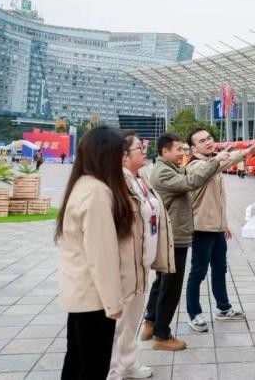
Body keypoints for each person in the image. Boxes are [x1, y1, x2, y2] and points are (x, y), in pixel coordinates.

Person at [56, 126, 134, 379]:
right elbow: (102, 254)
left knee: (77, 360)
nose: (123, 158)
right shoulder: (98, 192)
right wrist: (113, 302)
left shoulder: (82, 183)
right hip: (95, 298)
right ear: (106, 155)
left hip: (80, 292)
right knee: (92, 366)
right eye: (120, 152)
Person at [141, 133, 230, 350]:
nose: (183, 153)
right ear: (165, 152)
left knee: (162, 282)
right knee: (171, 285)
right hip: (174, 235)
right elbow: (192, 182)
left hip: (173, 234)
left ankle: (151, 322)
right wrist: (216, 160)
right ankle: (162, 335)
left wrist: (236, 156)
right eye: (179, 149)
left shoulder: (170, 167)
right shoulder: (163, 172)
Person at [107, 132, 176, 380]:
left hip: (142, 262)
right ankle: (112, 370)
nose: (144, 151)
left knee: (133, 319)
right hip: (125, 264)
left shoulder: (140, 179)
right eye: (139, 148)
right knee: (118, 323)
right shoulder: (117, 184)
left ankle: (128, 363)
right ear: (124, 156)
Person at [184, 129, 255, 331]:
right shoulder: (195, 165)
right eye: (202, 140)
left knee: (220, 269)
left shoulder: (213, 163)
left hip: (216, 228)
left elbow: (219, 199)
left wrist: (224, 224)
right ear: (193, 148)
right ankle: (194, 314)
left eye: (209, 138)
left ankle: (224, 309)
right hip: (201, 228)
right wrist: (240, 153)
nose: (208, 142)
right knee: (197, 273)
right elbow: (215, 166)